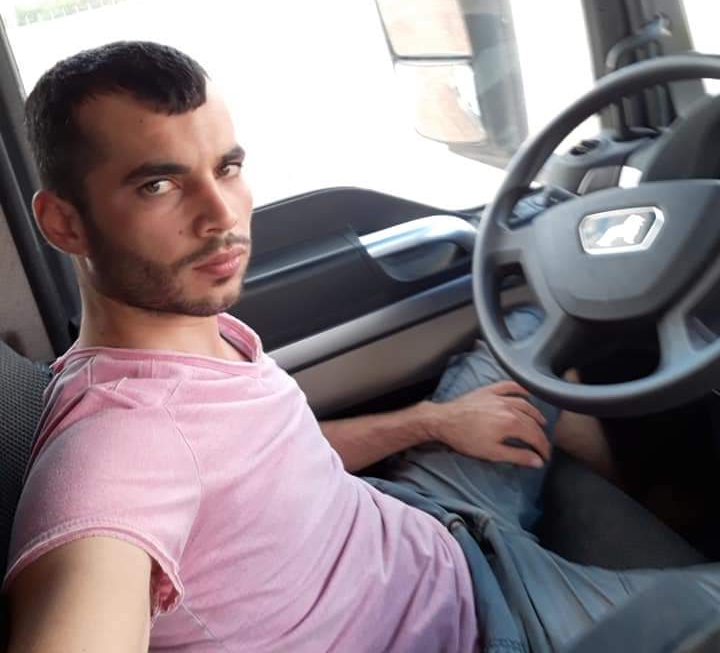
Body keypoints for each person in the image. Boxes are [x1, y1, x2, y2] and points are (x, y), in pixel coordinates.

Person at [2, 41, 718, 653]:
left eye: (226, 168)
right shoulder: (118, 448)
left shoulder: (193, 334)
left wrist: (433, 422)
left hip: (426, 520)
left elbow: (271, 463)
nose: (221, 215)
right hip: (480, 621)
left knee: (528, 322)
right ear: (64, 224)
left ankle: (665, 501)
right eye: (158, 184)